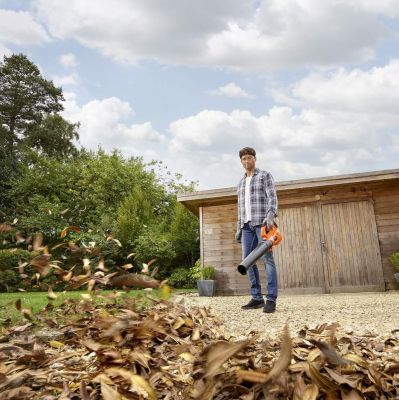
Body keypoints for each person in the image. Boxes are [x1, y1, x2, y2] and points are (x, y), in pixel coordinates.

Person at [235, 147, 278, 313]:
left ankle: (271, 299)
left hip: (262, 224)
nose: (247, 161)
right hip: (246, 226)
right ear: (241, 162)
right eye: (243, 159)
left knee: (267, 259)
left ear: (255, 159)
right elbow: (240, 207)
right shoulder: (240, 183)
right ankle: (257, 297)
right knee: (247, 261)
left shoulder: (264, 175)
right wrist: (239, 226)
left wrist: (270, 216)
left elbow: (272, 197)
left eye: (249, 158)